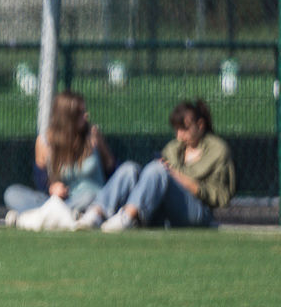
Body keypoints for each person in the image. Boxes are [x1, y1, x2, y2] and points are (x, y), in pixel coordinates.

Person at [95, 99, 233, 231]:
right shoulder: (173, 148)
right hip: (166, 211)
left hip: (198, 211)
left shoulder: (217, 150)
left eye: (184, 129)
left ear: (200, 125)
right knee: (130, 169)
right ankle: (96, 213)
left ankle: (128, 217)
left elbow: (214, 194)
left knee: (158, 170)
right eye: (177, 130)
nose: (179, 136)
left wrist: (175, 176)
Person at [3, 91, 113, 229]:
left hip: (90, 200)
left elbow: (111, 168)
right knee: (12, 193)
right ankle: (58, 216)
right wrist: (51, 187)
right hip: (58, 202)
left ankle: (32, 218)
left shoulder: (92, 135)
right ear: (66, 116)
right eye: (80, 112)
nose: (86, 116)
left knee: (90, 195)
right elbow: (41, 181)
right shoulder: (44, 142)